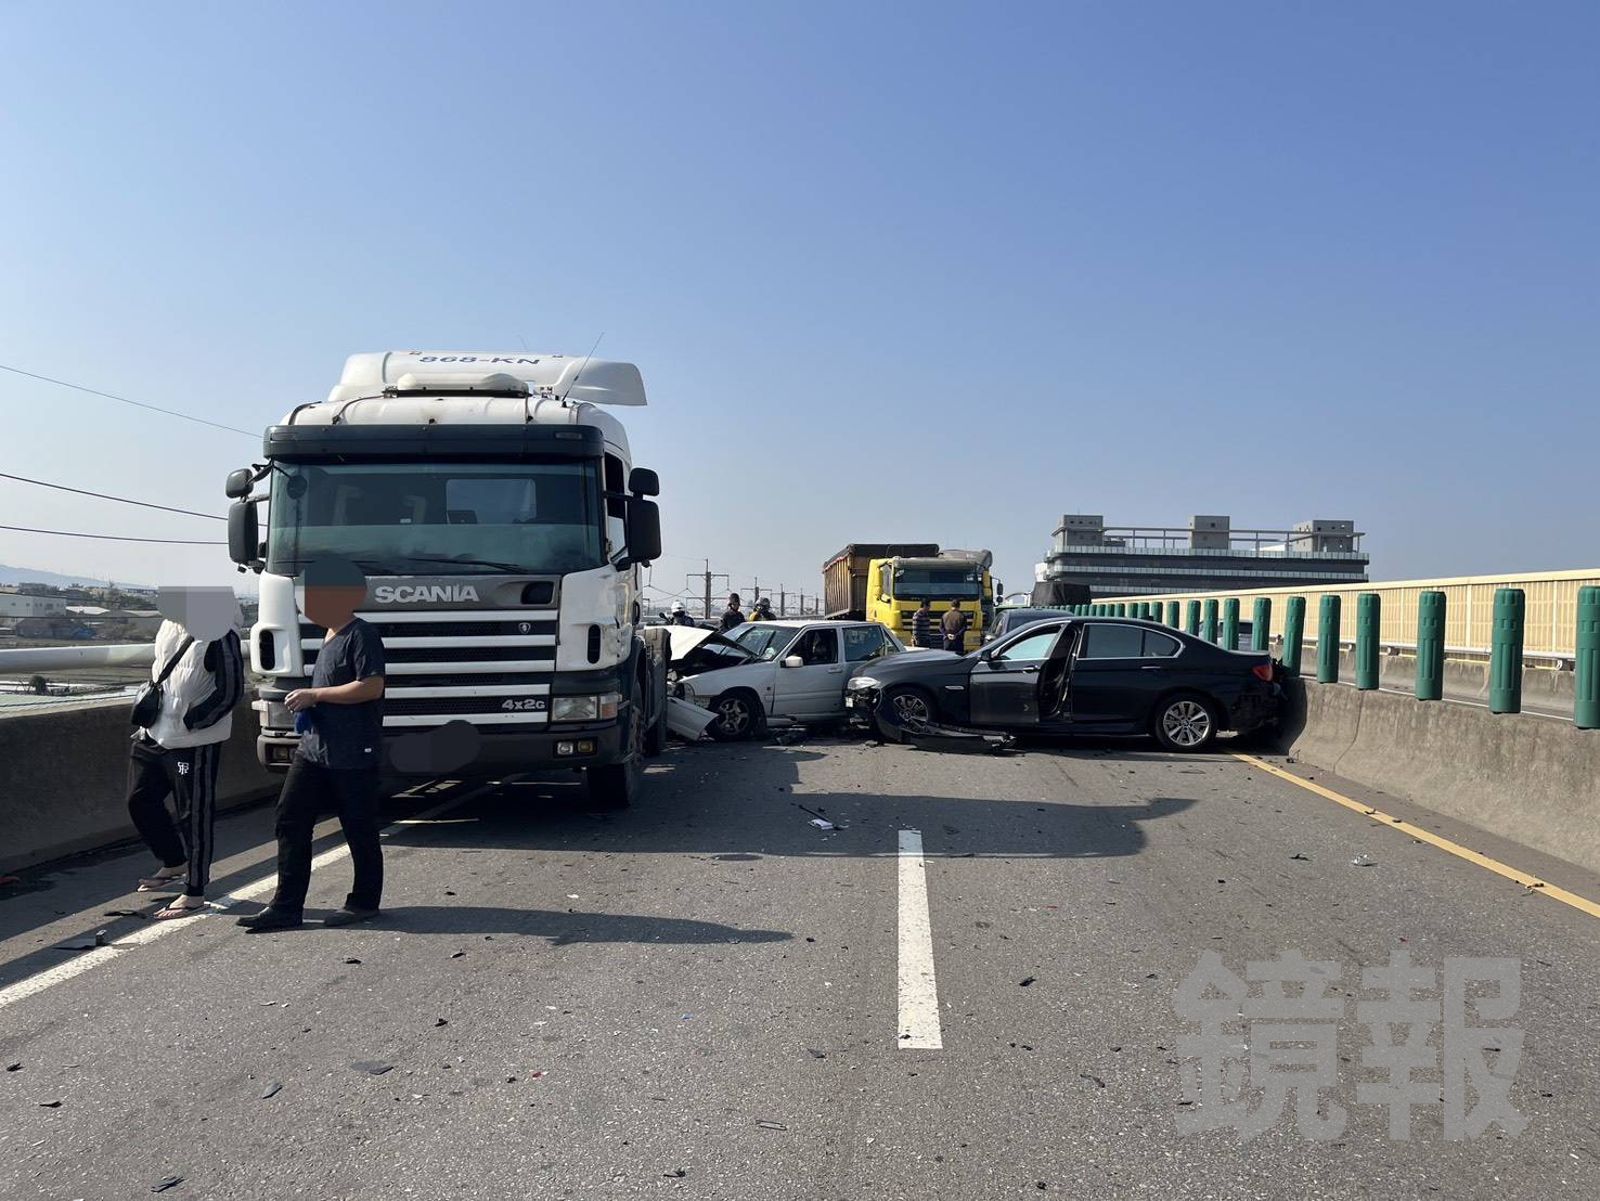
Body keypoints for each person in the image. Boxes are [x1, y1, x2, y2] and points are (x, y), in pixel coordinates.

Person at [239, 559, 386, 932]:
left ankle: (364, 902)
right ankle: (286, 906)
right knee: (289, 819)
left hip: (352, 751)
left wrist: (314, 694)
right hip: (314, 749)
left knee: (359, 828)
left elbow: (372, 686)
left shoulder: (361, 634)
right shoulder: (328, 633)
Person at [127, 590, 245, 919]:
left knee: (192, 815)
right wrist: (151, 720)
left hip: (194, 743)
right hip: (154, 734)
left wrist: (194, 722)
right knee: (139, 800)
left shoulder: (221, 635)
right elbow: (161, 673)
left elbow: (232, 690)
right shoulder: (169, 626)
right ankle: (173, 861)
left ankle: (194, 891)